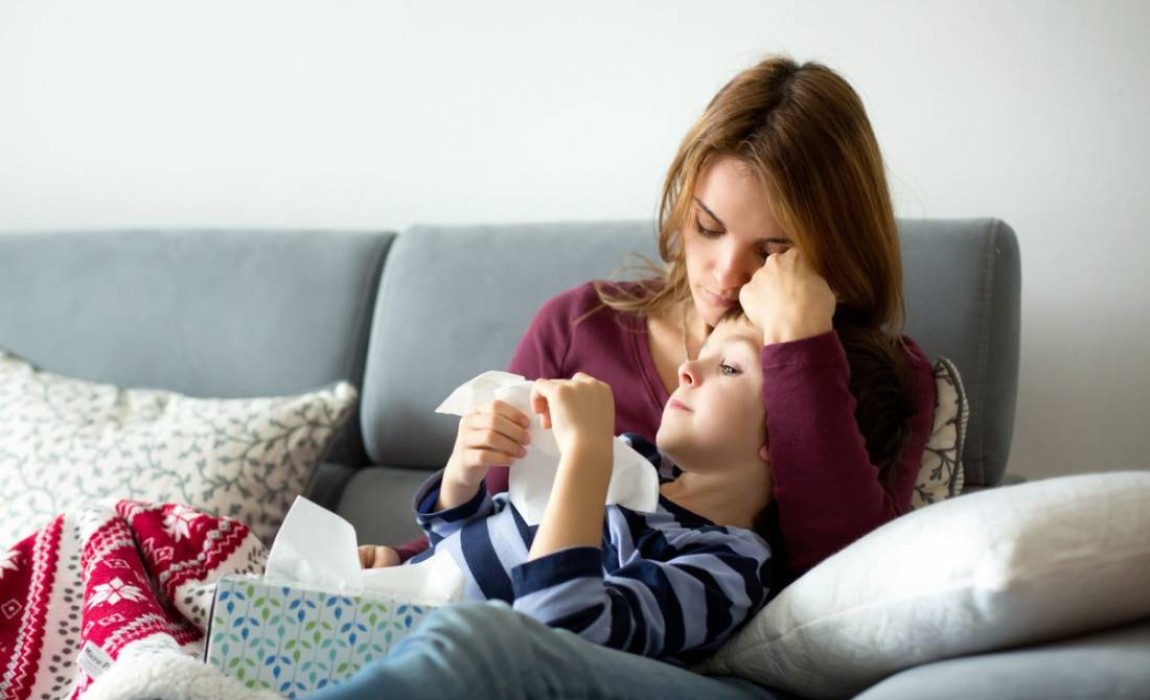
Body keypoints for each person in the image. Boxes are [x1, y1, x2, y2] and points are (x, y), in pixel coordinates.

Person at [365, 54, 935, 587]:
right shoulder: (578, 325)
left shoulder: (876, 377)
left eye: (772, 249)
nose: (726, 272)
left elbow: (843, 581)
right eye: (708, 228)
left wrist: (801, 345)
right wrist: (402, 564)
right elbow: (504, 528)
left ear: (831, 248)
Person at [317, 307, 904, 700]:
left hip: (456, 653)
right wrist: (462, 479)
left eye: (728, 367)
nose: (688, 368)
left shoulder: (726, 564)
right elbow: (478, 548)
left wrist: (584, 461)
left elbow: (552, 631)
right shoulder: (634, 459)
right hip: (385, 616)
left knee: (469, 636)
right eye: (704, 351)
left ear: (792, 431)